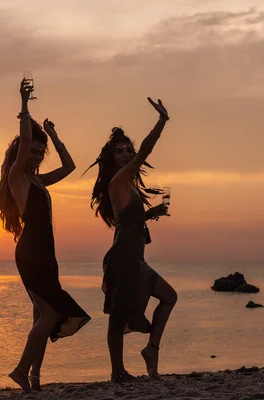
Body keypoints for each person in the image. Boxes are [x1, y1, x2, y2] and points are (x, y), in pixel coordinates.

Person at [0, 79, 91, 392]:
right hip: (32, 253)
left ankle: (35, 375)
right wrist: (24, 106)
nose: (35, 156)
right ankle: (22, 371)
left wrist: (55, 137)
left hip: (46, 253)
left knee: (41, 314)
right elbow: (22, 144)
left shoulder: (38, 182)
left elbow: (70, 166)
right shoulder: (17, 178)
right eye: (32, 152)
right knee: (51, 312)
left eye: (40, 153)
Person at [86, 97, 178, 383]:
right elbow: (145, 152)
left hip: (135, 255)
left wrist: (151, 214)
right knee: (118, 315)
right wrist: (161, 122)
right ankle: (117, 371)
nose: (127, 154)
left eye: (129, 150)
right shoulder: (118, 181)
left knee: (169, 297)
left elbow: (128, 221)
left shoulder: (128, 186)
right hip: (125, 257)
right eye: (120, 152)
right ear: (113, 158)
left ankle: (151, 350)